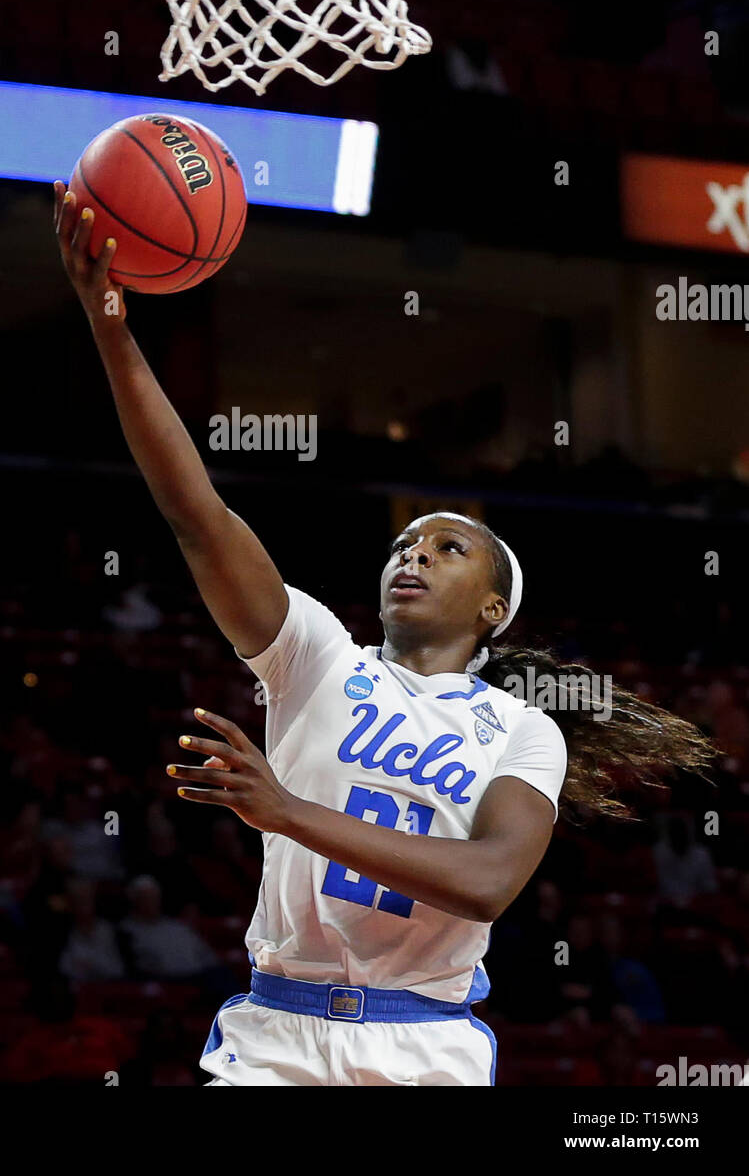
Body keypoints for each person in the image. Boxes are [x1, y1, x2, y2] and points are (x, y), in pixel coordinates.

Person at [54, 184, 716, 1087]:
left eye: (448, 550)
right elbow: (197, 515)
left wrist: (288, 812)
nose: (414, 555)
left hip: (423, 1044)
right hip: (276, 1035)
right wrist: (111, 328)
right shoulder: (316, 655)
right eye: (405, 542)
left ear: (493, 609)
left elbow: (486, 882)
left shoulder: (523, 731)